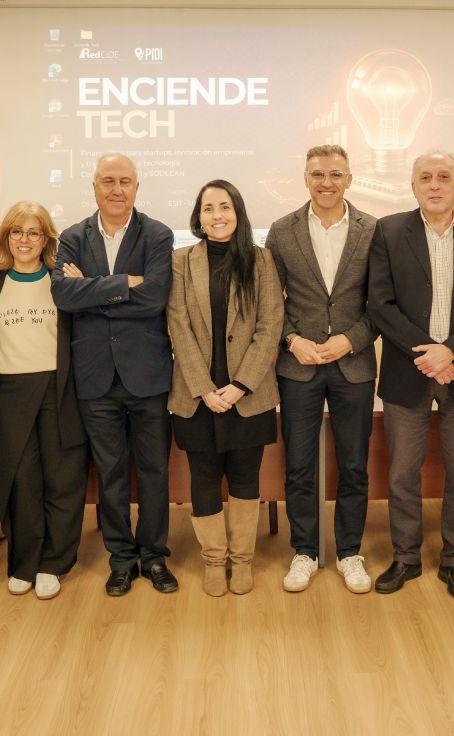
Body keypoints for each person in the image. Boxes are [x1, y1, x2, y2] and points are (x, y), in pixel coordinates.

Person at [367, 151, 454, 599]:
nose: (435, 184)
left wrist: (452, 352)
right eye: (425, 177)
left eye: (444, 176)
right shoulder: (388, 231)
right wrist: (428, 355)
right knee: (402, 474)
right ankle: (405, 557)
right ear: (413, 186)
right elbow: (380, 304)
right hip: (409, 370)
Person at [50, 153, 178, 597]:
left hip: (148, 375)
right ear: (94, 187)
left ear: (137, 187)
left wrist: (92, 288)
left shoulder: (158, 234)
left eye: (125, 181)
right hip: (95, 377)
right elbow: (63, 295)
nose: (117, 189)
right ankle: (121, 559)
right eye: (108, 180)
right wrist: (127, 283)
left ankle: (155, 556)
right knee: (110, 474)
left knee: (155, 472)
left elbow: (155, 297)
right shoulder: (72, 237)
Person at [264, 145, 378, 595]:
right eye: (317, 174)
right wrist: (292, 341)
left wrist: (351, 339)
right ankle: (305, 552)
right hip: (299, 365)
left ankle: (350, 552)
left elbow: (382, 302)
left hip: (353, 363)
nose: (326, 182)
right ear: (306, 179)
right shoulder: (282, 230)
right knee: (299, 466)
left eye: (335, 174)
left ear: (349, 179)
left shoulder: (373, 230)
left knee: (354, 465)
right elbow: (270, 302)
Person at [167, 180, 283, 596]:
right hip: (196, 396)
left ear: (238, 213)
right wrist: (204, 388)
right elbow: (178, 326)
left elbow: (270, 325)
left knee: (245, 477)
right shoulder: (181, 261)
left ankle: (243, 560)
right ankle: (215, 562)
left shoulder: (261, 260)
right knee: (203, 478)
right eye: (208, 208)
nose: (217, 215)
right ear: (198, 217)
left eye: (225, 207)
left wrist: (240, 385)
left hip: (248, 395)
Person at [0, 202, 89, 601]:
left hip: (59, 389)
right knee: (20, 480)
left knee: (62, 478)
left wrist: (83, 286)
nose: (24, 240)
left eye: (34, 232)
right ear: (6, 237)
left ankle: (54, 564)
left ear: (46, 239)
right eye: (17, 231)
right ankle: (24, 563)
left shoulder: (62, 279)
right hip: (8, 393)